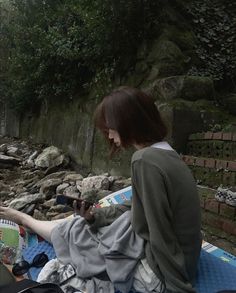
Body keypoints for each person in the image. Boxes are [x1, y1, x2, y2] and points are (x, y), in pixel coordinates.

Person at [94, 86, 202, 293]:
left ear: (127, 123)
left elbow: (159, 230)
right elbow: (140, 206)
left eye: (110, 128)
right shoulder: (168, 153)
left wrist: (178, 287)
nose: (109, 135)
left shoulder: (144, 160)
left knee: (82, 238)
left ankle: (24, 220)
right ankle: (23, 218)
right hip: (188, 259)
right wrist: (95, 216)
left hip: (161, 272)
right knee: (95, 224)